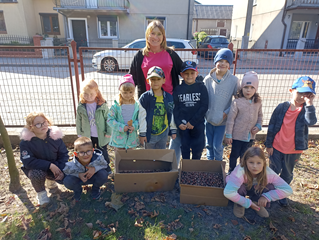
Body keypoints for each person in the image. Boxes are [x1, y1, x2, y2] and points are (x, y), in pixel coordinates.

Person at [128, 20, 183, 161]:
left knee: (170, 131)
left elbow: (184, 71)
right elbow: (131, 78)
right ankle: (150, 164)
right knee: (149, 134)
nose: (156, 37)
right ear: (147, 35)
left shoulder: (170, 53)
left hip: (168, 100)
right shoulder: (140, 55)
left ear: (163, 37)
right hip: (148, 102)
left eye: (159, 34)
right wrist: (125, 96)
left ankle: (168, 163)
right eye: (153, 33)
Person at [265, 76, 317, 207]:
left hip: (294, 150)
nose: (302, 97)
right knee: (272, 172)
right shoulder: (282, 107)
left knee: (287, 174)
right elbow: (271, 126)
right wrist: (269, 144)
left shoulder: (305, 110)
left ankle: (281, 193)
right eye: (300, 93)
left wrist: (310, 104)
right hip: (276, 147)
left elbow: (311, 121)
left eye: (306, 95)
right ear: (291, 90)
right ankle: (268, 193)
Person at [224, 147, 293, 218]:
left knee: (270, 186)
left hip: (255, 188)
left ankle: (256, 202)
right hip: (242, 188)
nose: (255, 166)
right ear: (245, 162)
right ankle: (240, 204)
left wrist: (267, 197)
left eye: (259, 163)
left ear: (264, 163)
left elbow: (288, 190)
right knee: (240, 188)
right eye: (251, 162)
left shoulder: (268, 173)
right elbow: (228, 192)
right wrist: (247, 203)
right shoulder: (239, 172)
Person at [19, 112, 69, 205]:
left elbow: (64, 155)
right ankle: (41, 194)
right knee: (36, 174)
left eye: (44, 122)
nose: (43, 125)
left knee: (69, 174)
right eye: (38, 124)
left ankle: (52, 183)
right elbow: (28, 161)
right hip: (38, 169)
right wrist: (49, 165)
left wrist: (60, 168)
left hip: (56, 165)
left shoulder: (55, 136)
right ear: (31, 127)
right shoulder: (26, 142)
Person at [204, 48, 239, 161]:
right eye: (220, 60)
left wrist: (226, 112)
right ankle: (210, 166)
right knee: (208, 145)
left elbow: (237, 101)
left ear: (229, 64)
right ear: (215, 62)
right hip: (208, 120)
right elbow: (203, 98)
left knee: (217, 146)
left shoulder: (233, 80)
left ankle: (218, 166)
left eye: (226, 61)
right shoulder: (208, 79)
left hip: (222, 121)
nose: (223, 64)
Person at [225, 71, 263, 174]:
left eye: (252, 87)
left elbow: (260, 116)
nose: (248, 90)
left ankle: (242, 172)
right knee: (234, 155)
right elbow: (231, 120)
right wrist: (228, 135)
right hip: (237, 136)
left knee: (245, 156)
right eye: (246, 87)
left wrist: (258, 126)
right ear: (242, 88)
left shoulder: (257, 102)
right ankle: (231, 170)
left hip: (250, 136)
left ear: (256, 89)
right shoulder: (237, 102)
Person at [173, 61, 208, 160]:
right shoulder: (178, 89)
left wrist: (193, 122)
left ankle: (194, 170)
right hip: (183, 126)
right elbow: (175, 108)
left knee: (198, 149)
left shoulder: (201, 87)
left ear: (196, 73)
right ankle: (186, 170)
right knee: (185, 149)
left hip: (197, 125)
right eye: (186, 73)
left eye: (192, 73)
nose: (189, 76)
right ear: (181, 75)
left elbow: (204, 106)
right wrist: (179, 122)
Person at [76, 79, 112, 173]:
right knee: (88, 151)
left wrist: (109, 132)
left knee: (103, 151)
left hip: (101, 134)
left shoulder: (102, 105)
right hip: (87, 135)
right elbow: (78, 120)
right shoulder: (81, 106)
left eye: (91, 94)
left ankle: (106, 168)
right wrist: (80, 133)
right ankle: (91, 168)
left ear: (96, 93)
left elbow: (108, 119)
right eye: (85, 94)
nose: (88, 96)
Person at [138, 66, 177, 149]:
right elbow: (141, 117)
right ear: (148, 81)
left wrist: (173, 129)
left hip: (163, 133)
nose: (155, 82)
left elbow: (171, 113)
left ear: (164, 80)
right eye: (152, 79)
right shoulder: (144, 98)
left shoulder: (169, 98)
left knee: (160, 156)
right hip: (149, 133)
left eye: (158, 79)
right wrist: (142, 133)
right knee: (149, 156)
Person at [107, 74, 139, 150]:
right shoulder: (116, 106)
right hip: (118, 140)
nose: (128, 95)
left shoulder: (137, 106)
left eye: (131, 92)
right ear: (120, 91)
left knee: (130, 159)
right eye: (125, 92)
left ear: (134, 91)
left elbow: (140, 120)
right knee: (119, 159)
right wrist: (121, 127)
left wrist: (134, 126)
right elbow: (110, 120)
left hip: (131, 140)